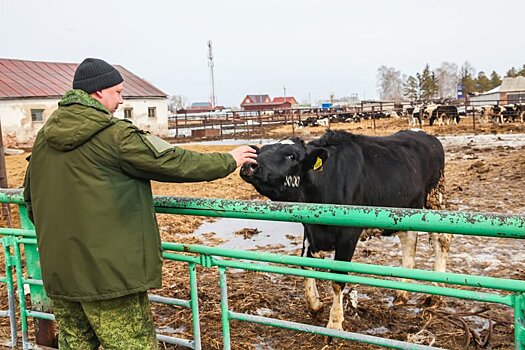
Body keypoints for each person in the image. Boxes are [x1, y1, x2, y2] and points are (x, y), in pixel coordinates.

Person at [23, 57, 257, 349]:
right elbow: (173, 162)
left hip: (61, 274)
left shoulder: (43, 139)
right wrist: (227, 159)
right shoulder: (114, 135)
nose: (121, 100)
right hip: (109, 277)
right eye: (118, 92)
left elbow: (30, 200)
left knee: (76, 344)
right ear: (98, 92)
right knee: (132, 343)